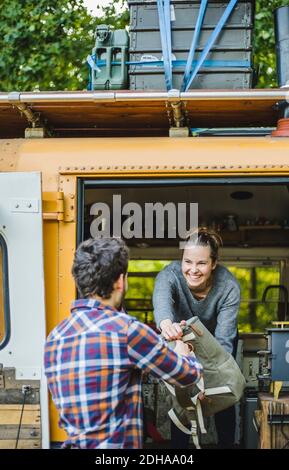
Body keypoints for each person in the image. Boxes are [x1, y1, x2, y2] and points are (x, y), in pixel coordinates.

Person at [44, 237, 203, 449]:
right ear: (120, 281)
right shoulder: (127, 330)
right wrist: (184, 352)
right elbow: (187, 375)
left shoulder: (55, 338)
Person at [153, 227, 241, 449]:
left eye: (201, 263)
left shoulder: (228, 287)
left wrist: (208, 380)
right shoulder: (169, 275)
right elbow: (162, 302)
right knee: (181, 398)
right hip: (182, 340)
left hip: (216, 344)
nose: (193, 270)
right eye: (188, 262)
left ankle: (227, 444)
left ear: (213, 264)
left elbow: (223, 344)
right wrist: (167, 326)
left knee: (224, 392)